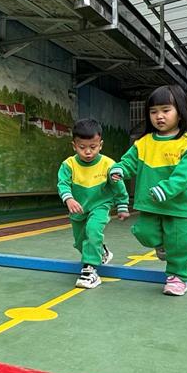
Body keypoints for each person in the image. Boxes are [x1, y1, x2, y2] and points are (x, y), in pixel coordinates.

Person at [110, 85, 187, 296]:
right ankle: (162, 246)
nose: (159, 116)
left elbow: (183, 176)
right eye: (153, 112)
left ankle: (178, 277)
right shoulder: (143, 143)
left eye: (166, 110)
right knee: (144, 232)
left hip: (180, 207)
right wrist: (119, 170)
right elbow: (129, 162)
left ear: (180, 113)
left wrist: (166, 189)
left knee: (180, 244)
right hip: (151, 204)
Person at [57, 118, 129, 289]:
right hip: (78, 209)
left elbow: (118, 186)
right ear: (74, 146)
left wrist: (122, 205)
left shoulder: (109, 165)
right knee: (80, 242)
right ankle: (102, 252)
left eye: (93, 147)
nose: (88, 152)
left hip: (100, 205)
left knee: (93, 230)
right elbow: (63, 184)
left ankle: (89, 271)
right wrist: (69, 199)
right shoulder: (68, 165)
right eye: (82, 147)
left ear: (100, 145)